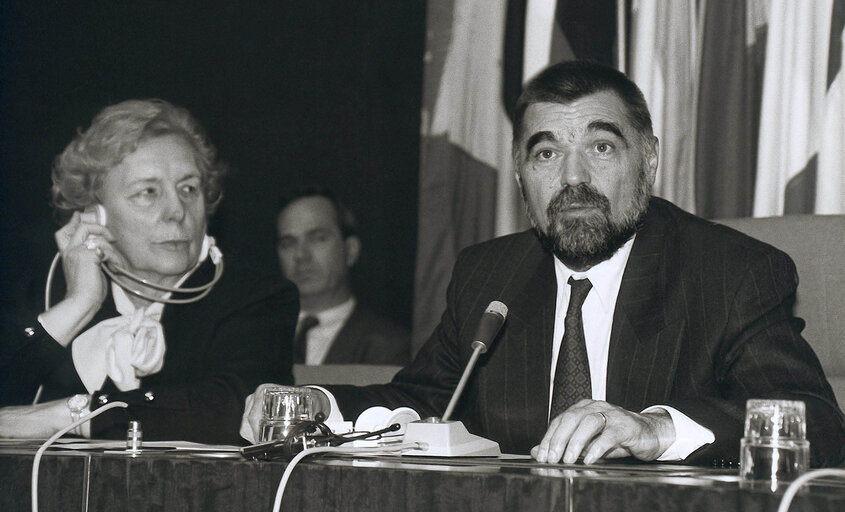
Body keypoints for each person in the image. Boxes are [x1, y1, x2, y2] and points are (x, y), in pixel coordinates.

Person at [243, 61, 845, 467]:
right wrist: (326, 409)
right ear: (521, 177)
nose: (574, 179)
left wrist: (657, 429)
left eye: (601, 148)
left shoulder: (732, 272)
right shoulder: (488, 276)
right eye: (547, 153)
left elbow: (814, 423)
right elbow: (427, 401)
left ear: (650, 161)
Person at [0, 99, 298, 444]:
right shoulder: (48, 288)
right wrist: (79, 303)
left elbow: (238, 408)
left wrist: (72, 415)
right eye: (148, 192)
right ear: (96, 212)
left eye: (189, 189)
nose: (176, 211)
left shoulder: (257, 296)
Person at [276, 188, 411, 366]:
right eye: (288, 243)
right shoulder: (254, 339)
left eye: (318, 238)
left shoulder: (389, 345)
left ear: (350, 250)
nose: (301, 255)